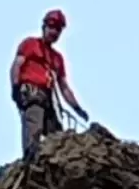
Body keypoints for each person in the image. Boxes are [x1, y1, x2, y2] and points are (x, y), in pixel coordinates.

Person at [9, 9, 89, 161]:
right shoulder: (30, 44)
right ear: (44, 26)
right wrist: (15, 87)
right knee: (34, 124)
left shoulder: (57, 59)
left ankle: (55, 161)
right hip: (32, 92)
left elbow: (64, 87)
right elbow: (17, 65)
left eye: (58, 29)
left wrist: (77, 108)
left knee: (56, 134)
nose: (54, 32)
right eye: (52, 27)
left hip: (47, 98)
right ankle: (30, 159)